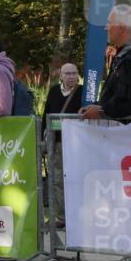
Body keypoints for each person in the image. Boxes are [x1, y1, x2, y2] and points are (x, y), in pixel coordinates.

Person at [42, 62, 83, 227]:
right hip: (57, 142)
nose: (71, 76)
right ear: (61, 75)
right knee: (57, 179)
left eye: (74, 73)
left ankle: (76, 215)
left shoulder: (83, 93)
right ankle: (60, 217)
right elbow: (46, 114)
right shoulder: (53, 92)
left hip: (77, 145)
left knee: (76, 179)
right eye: (68, 73)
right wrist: (42, 138)